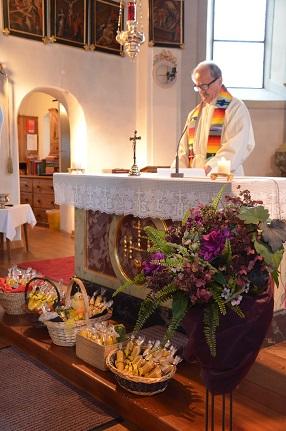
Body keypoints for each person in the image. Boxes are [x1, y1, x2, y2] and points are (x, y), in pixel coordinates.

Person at [174, 61, 255, 175]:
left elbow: (236, 146)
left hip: (222, 177)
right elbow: (183, 150)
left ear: (219, 81)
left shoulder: (235, 108)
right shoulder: (194, 114)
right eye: (198, 87)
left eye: (205, 86)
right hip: (195, 179)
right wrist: (176, 171)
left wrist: (211, 167)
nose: (202, 91)